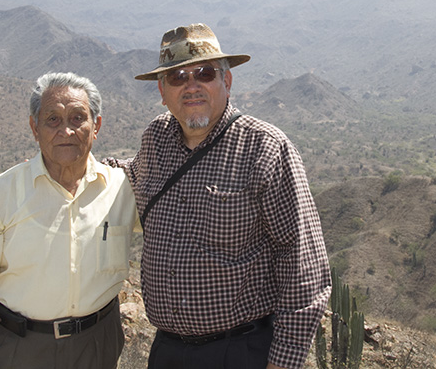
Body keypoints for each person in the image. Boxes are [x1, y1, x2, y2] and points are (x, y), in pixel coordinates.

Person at [110, 23, 331, 369]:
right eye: (177, 76)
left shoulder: (264, 148)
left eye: (205, 73)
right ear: (162, 90)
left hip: (240, 351)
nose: (191, 85)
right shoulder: (156, 139)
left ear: (226, 82)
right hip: (167, 351)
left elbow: (303, 263)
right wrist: (73, 164)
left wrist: (282, 362)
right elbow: (129, 176)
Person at [0, 72, 139, 369]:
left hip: (98, 346)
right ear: (34, 127)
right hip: (17, 350)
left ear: (96, 126)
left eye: (78, 118)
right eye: (52, 119)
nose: (66, 131)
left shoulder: (122, 189)